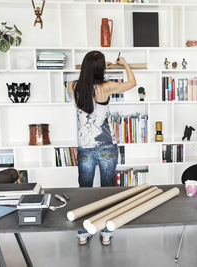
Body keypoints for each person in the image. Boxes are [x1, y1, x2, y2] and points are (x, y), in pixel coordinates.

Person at [71, 51, 136, 246]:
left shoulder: (73, 86)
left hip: (85, 147)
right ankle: (106, 233)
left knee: (85, 191)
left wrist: (99, 65)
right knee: (108, 192)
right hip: (106, 146)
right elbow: (132, 82)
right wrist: (123, 63)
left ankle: (83, 233)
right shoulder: (106, 87)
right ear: (100, 69)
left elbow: (87, 84)